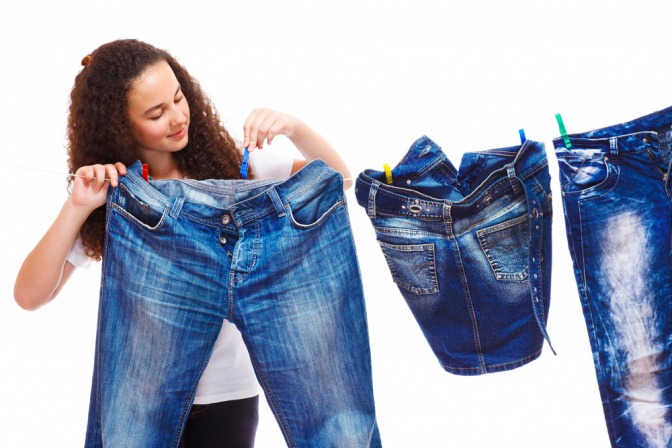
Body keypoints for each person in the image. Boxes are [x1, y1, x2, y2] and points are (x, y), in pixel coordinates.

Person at [13, 39, 351, 448]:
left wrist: (295, 128)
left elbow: (338, 182)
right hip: (141, 393)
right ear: (121, 124)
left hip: (228, 397)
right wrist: (78, 206)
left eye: (178, 98)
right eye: (156, 113)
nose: (177, 118)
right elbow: (29, 295)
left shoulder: (239, 170)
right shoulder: (120, 197)